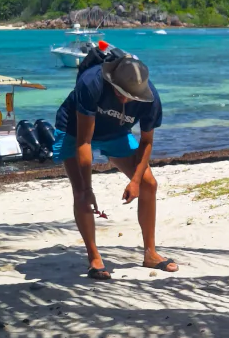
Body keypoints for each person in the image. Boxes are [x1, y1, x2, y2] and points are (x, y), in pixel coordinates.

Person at [53, 50, 177, 280]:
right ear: (112, 81)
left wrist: (136, 181)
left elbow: (146, 141)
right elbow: (84, 141)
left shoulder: (151, 100)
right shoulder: (92, 83)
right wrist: (89, 189)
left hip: (116, 133)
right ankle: (94, 258)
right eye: (120, 92)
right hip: (74, 130)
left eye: (131, 96)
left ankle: (150, 253)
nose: (124, 99)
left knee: (149, 184)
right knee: (81, 192)